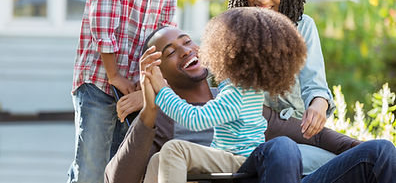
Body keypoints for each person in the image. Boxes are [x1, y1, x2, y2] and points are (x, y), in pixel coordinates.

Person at [105, 25, 366, 183]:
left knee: (376, 153)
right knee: (164, 157)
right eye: (170, 52)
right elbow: (119, 179)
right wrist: (150, 110)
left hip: (250, 172)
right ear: (157, 72)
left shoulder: (235, 97)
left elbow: (309, 134)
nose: (185, 51)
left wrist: (357, 147)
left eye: (187, 42)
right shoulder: (160, 116)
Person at [67, 0, 180, 182]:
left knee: (122, 168)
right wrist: (114, 74)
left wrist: (148, 83)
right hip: (99, 82)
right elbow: (103, 21)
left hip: (135, 86)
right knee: (91, 168)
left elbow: (165, 28)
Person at [228, 0, 334, 139]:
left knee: (358, 151)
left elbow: (315, 85)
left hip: (296, 127)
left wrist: (319, 102)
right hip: (249, 133)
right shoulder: (231, 29)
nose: (263, 0)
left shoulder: (302, 27)